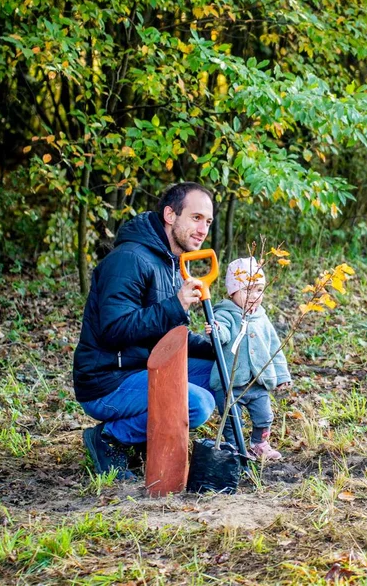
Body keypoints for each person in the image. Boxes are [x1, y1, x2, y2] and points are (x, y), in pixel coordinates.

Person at [73, 182, 219, 479]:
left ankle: (151, 440)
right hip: (108, 380)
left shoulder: (170, 262)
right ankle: (110, 438)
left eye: (208, 221)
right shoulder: (130, 259)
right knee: (198, 404)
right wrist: (176, 305)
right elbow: (114, 330)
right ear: (169, 214)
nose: (203, 229)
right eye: (195, 218)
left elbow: (168, 337)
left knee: (221, 370)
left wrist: (218, 347)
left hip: (144, 367)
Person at [206, 257, 292, 461]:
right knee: (231, 419)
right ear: (232, 291)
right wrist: (216, 331)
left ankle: (259, 443)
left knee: (264, 416)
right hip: (230, 383)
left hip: (257, 382)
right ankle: (235, 447)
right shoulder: (225, 314)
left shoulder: (261, 317)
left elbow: (274, 348)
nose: (254, 296)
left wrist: (281, 376)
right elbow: (224, 334)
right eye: (248, 290)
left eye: (259, 290)